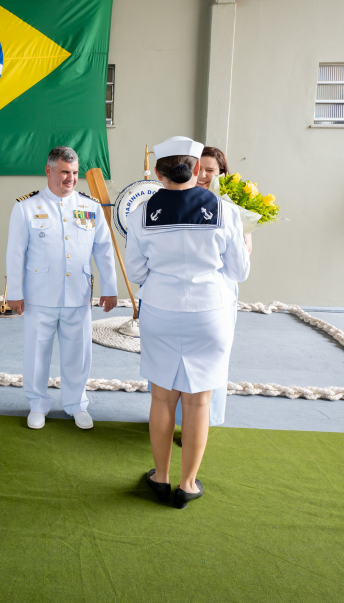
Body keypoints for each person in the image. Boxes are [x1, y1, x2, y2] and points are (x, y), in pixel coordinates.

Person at [125, 136, 250, 509]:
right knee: (199, 402)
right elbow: (238, 271)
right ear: (197, 169)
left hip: (161, 312)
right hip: (209, 313)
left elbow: (136, 271)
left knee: (162, 397)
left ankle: (160, 478)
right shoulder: (225, 211)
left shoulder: (141, 213)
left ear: (160, 173)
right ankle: (188, 484)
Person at [5, 146, 118, 430]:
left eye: (75, 173)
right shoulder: (26, 207)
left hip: (78, 294)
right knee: (36, 354)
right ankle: (37, 405)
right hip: (38, 295)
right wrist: (14, 293)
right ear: (49, 171)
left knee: (78, 355)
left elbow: (104, 250)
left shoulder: (90, 207)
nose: (71, 178)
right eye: (65, 172)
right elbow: (15, 253)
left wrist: (110, 287)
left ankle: (76, 405)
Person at [197, 146, 251, 255]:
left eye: (210, 170)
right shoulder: (180, 197)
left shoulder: (233, 202)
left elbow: (246, 247)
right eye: (198, 169)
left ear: (221, 172)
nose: (202, 175)